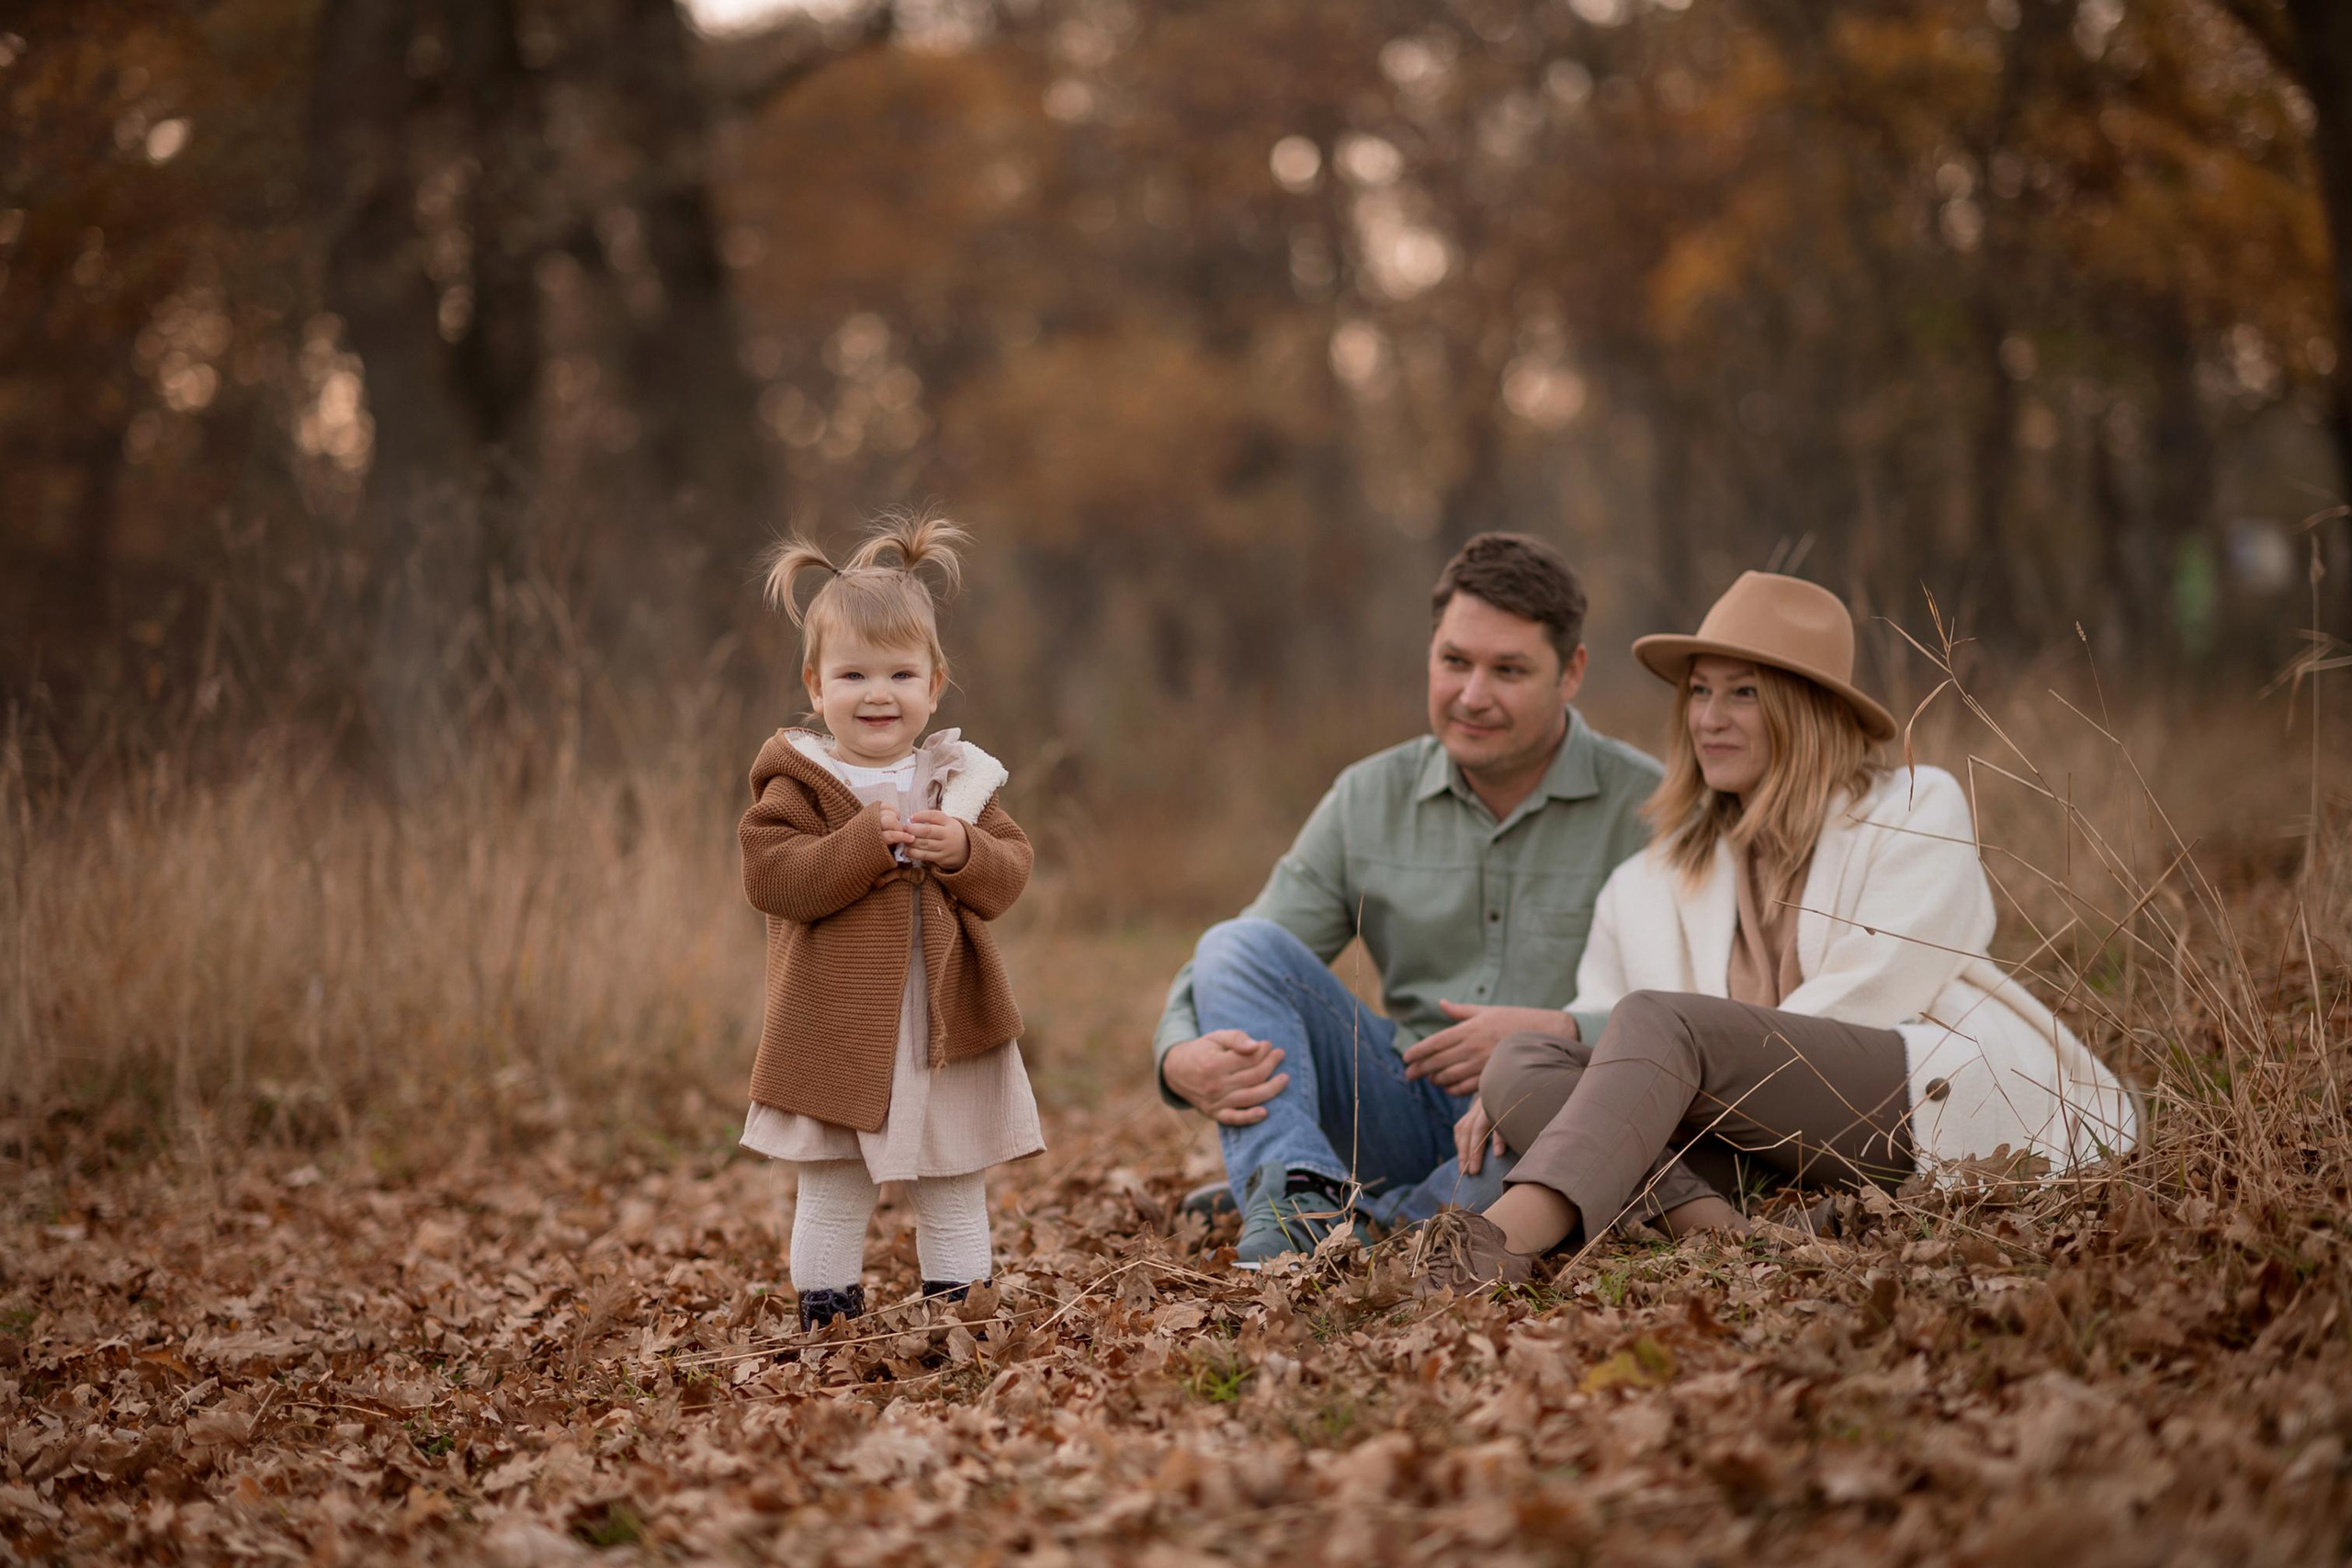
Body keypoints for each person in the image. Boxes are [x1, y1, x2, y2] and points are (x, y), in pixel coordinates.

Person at [1414, 570, 2142, 1289]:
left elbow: (1886, 984)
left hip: (1901, 1101)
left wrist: (1690, 1076)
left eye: (1743, 693)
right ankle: (1738, 1236)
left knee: (1661, 1022)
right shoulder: (1644, 881)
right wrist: (1528, 1094)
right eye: (1699, 691)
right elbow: (1605, 1060)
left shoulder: (1915, 808)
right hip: (1741, 1151)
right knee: (1518, 1064)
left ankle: (1500, 1238)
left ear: (1808, 707)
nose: (1709, 717)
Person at [1153, 533, 1664, 1266]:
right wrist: (1176, 1056)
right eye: (1454, 661)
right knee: (1233, 945)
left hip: (1551, 1115)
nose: (1472, 695)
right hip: (1399, 1099)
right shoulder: (1368, 796)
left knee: (1559, 1136)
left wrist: (1559, 1031)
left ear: (1572, 671)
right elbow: (1240, 958)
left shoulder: (1648, 805)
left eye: (1509, 669)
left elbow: (1697, 1011)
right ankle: (1296, 1197)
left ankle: (1364, 1220)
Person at [737, 515, 1042, 1330]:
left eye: (902, 673)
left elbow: (1010, 872)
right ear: (816, 687)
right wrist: (858, 844)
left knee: (954, 1179)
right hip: (837, 1025)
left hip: (942, 1023)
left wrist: (965, 848)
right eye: (854, 674)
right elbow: (773, 877)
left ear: (934, 685)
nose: (879, 693)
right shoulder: (800, 785)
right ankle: (828, 1327)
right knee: (834, 1187)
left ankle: (958, 1322)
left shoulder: (960, 781)